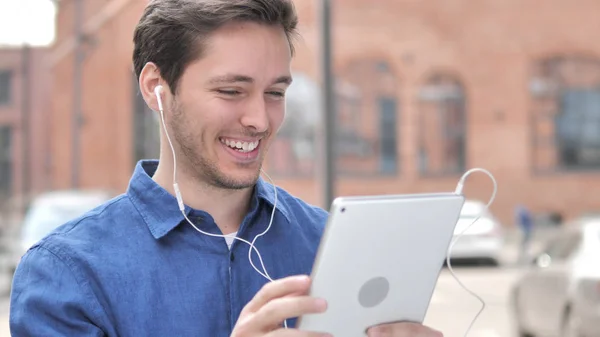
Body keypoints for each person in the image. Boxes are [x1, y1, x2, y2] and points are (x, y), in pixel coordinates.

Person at [9, 1, 444, 336]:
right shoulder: (68, 272)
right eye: (232, 90)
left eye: (275, 92)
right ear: (155, 88)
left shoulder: (332, 244)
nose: (260, 118)